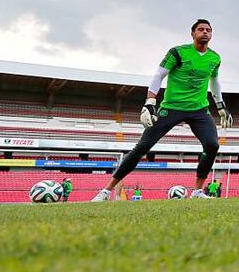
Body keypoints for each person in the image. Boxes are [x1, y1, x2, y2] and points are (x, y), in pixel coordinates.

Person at [91, 19, 231, 201]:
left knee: (212, 145)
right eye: (201, 29)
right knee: (142, 147)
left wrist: (220, 105)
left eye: (208, 30)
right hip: (171, 107)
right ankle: (106, 191)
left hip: (199, 109)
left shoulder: (215, 58)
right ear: (192, 33)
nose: (205, 32)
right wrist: (150, 101)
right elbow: (159, 75)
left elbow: (214, 81)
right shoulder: (178, 52)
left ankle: (197, 191)